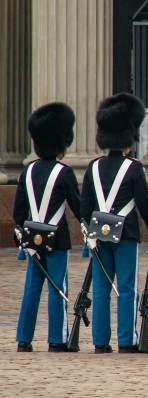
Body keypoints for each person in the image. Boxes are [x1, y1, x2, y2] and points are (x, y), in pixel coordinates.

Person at [81, 93, 148, 354]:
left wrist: (87, 229)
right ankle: (126, 340)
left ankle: (100, 341)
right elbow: (144, 206)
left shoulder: (93, 167)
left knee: (101, 289)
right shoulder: (133, 168)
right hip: (127, 233)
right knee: (127, 288)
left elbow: (85, 205)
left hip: (99, 233)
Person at [14, 103, 80, 352]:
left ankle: (23, 339)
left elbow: (19, 211)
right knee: (56, 287)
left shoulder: (27, 172)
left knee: (31, 288)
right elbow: (77, 206)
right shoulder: (64, 172)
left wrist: (21, 235)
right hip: (58, 238)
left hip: (32, 238)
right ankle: (56, 339)